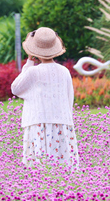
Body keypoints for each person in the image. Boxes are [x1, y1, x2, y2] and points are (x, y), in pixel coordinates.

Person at [9, 27, 80, 169]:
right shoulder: (64, 71)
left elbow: (15, 88)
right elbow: (69, 97)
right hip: (61, 123)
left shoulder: (33, 72)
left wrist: (29, 62)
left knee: (40, 166)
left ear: (34, 50)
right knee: (62, 164)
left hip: (38, 124)